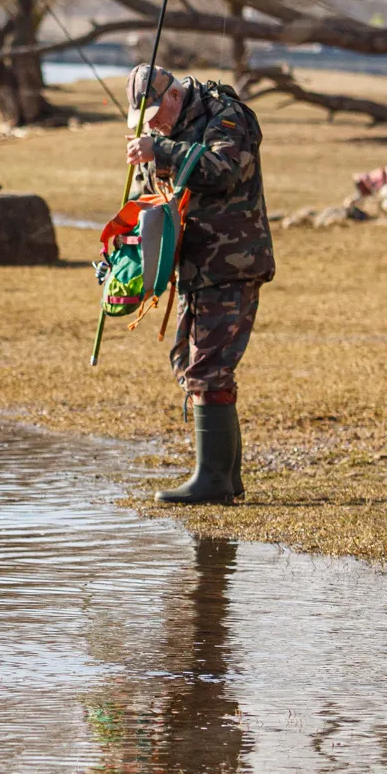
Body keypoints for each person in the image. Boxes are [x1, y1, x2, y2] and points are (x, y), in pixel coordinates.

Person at [124, 63, 274, 505]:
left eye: (156, 117)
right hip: (191, 266)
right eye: (146, 123)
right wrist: (126, 245)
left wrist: (162, 149)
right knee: (188, 362)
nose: (154, 127)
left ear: (174, 95)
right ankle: (227, 476)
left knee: (208, 368)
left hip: (231, 262)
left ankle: (212, 481)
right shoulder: (162, 134)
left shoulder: (225, 114)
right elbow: (149, 197)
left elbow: (224, 169)